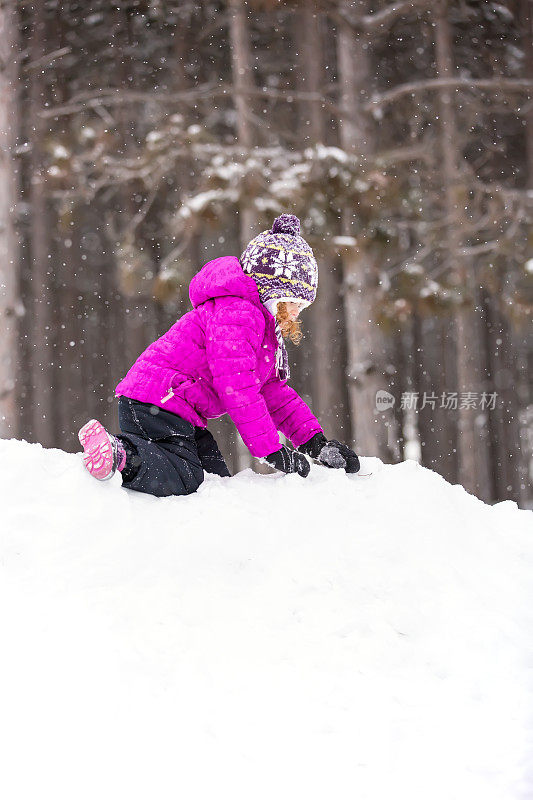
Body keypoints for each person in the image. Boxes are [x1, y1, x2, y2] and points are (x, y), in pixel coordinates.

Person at [78, 214, 360, 497]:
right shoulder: (239, 314)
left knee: (216, 482)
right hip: (158, 403)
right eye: (295, 301)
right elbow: (237, 387)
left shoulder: (256, 325)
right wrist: (272, 450)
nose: (298, 311)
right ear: (275, 292)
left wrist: (315, 442)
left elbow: (273, 392)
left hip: (175, 409)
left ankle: (124, 453)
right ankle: (119, 454)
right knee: (186, 478)